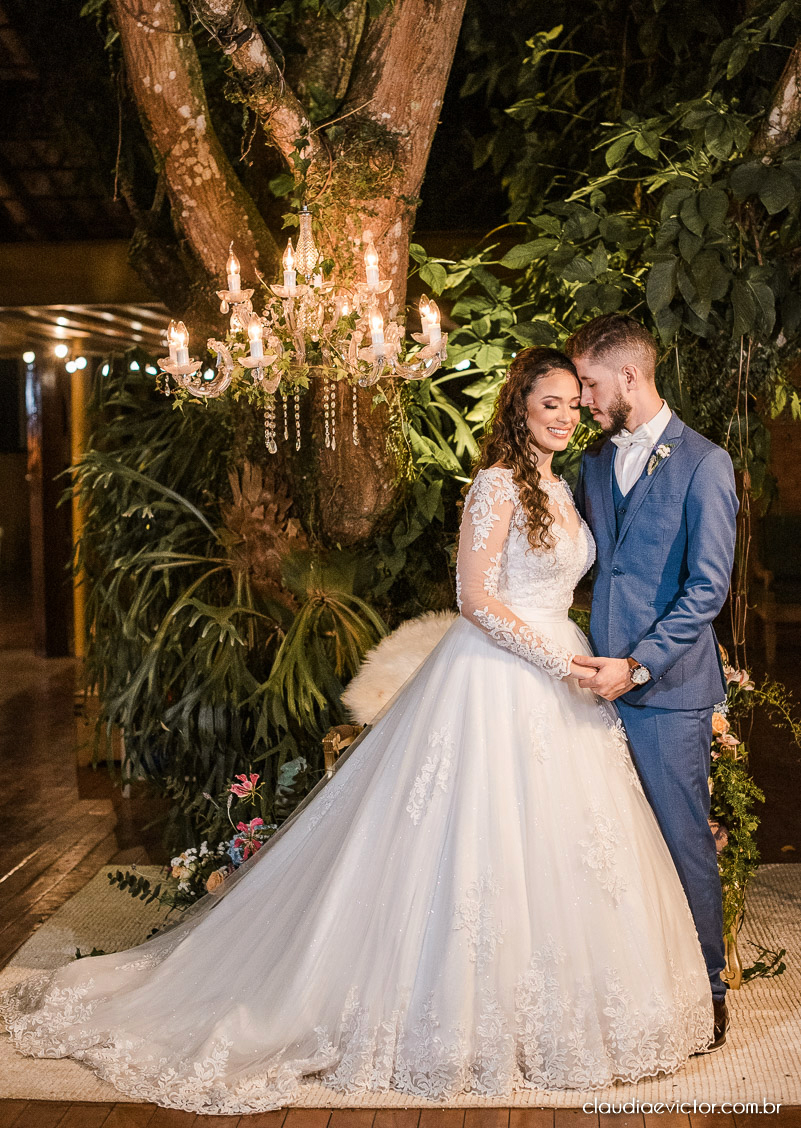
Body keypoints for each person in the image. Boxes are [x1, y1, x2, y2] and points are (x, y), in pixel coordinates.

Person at [0, 347, 714, 1114]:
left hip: (560, 675)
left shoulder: (563, 487)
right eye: (552, 403)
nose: (568, 416)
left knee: (569, 846)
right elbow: (474, 598)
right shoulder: (497, 483)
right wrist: (553, 658)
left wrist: (572, 661)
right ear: (519, 408)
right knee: (468, 838)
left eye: (575, 403)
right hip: (501, 672)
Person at [566, 314, 738, 1052]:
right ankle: (631, 988)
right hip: (585, 689)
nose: (582, 400)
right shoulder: (595, 464)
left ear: (628, 376)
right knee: (606, 846)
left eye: (589, 384)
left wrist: (635, 664)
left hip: (665, 691)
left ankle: (708, 992)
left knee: (679, 843)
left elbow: (706, 589)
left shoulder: (704, 462)